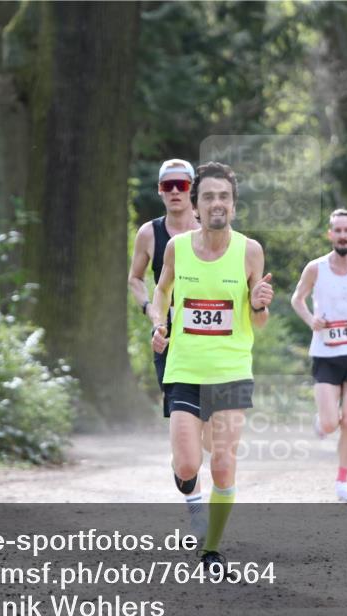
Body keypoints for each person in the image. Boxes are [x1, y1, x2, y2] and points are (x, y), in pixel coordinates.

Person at [150, 161, 272, 570]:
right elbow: (161, 291)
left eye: (224, 197)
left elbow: (258, 321)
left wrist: (259, 306)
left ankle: (211, 549)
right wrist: (158, 323)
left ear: (233, 205)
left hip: (231, 371)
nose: (217, 203)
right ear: (196, 205)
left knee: (222, 463)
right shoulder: (177, 248)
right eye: (208, 197)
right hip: (184, 369)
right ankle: (189, 491)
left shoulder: (250, 251)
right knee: (187, 465)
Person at [128, 159, 207, 532]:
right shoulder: (150, 233)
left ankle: (187, 458)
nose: (175, 191)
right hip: (169, 337)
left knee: (209, 434)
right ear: (160, 191)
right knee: (186, 428)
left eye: (181, 185)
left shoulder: (209, 230)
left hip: (212, 340)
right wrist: (151, 311)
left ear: (192, 188)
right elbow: (135, 278)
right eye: (167, 186)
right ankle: (195, 502)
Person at [290, 208, 347, 502]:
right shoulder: (315, 268)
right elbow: (297, 299)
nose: (343, 236)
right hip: (325, 353)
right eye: (338, 230)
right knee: (331, 422)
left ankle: (342, 482)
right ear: (330, 234)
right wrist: (311, 320)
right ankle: (322, 422)